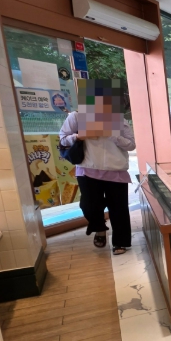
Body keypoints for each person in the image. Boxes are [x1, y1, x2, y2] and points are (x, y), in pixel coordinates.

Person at [59, 93, 136, 255]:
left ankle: (120, 242)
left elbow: (131, 145)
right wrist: (79, 136)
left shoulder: (120, 121)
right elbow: (63, 139)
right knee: (89, 206)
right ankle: (99, 228)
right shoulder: (77, 117)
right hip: (87, 170)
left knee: (119, 208)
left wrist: (112, 135)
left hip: (115, 170)